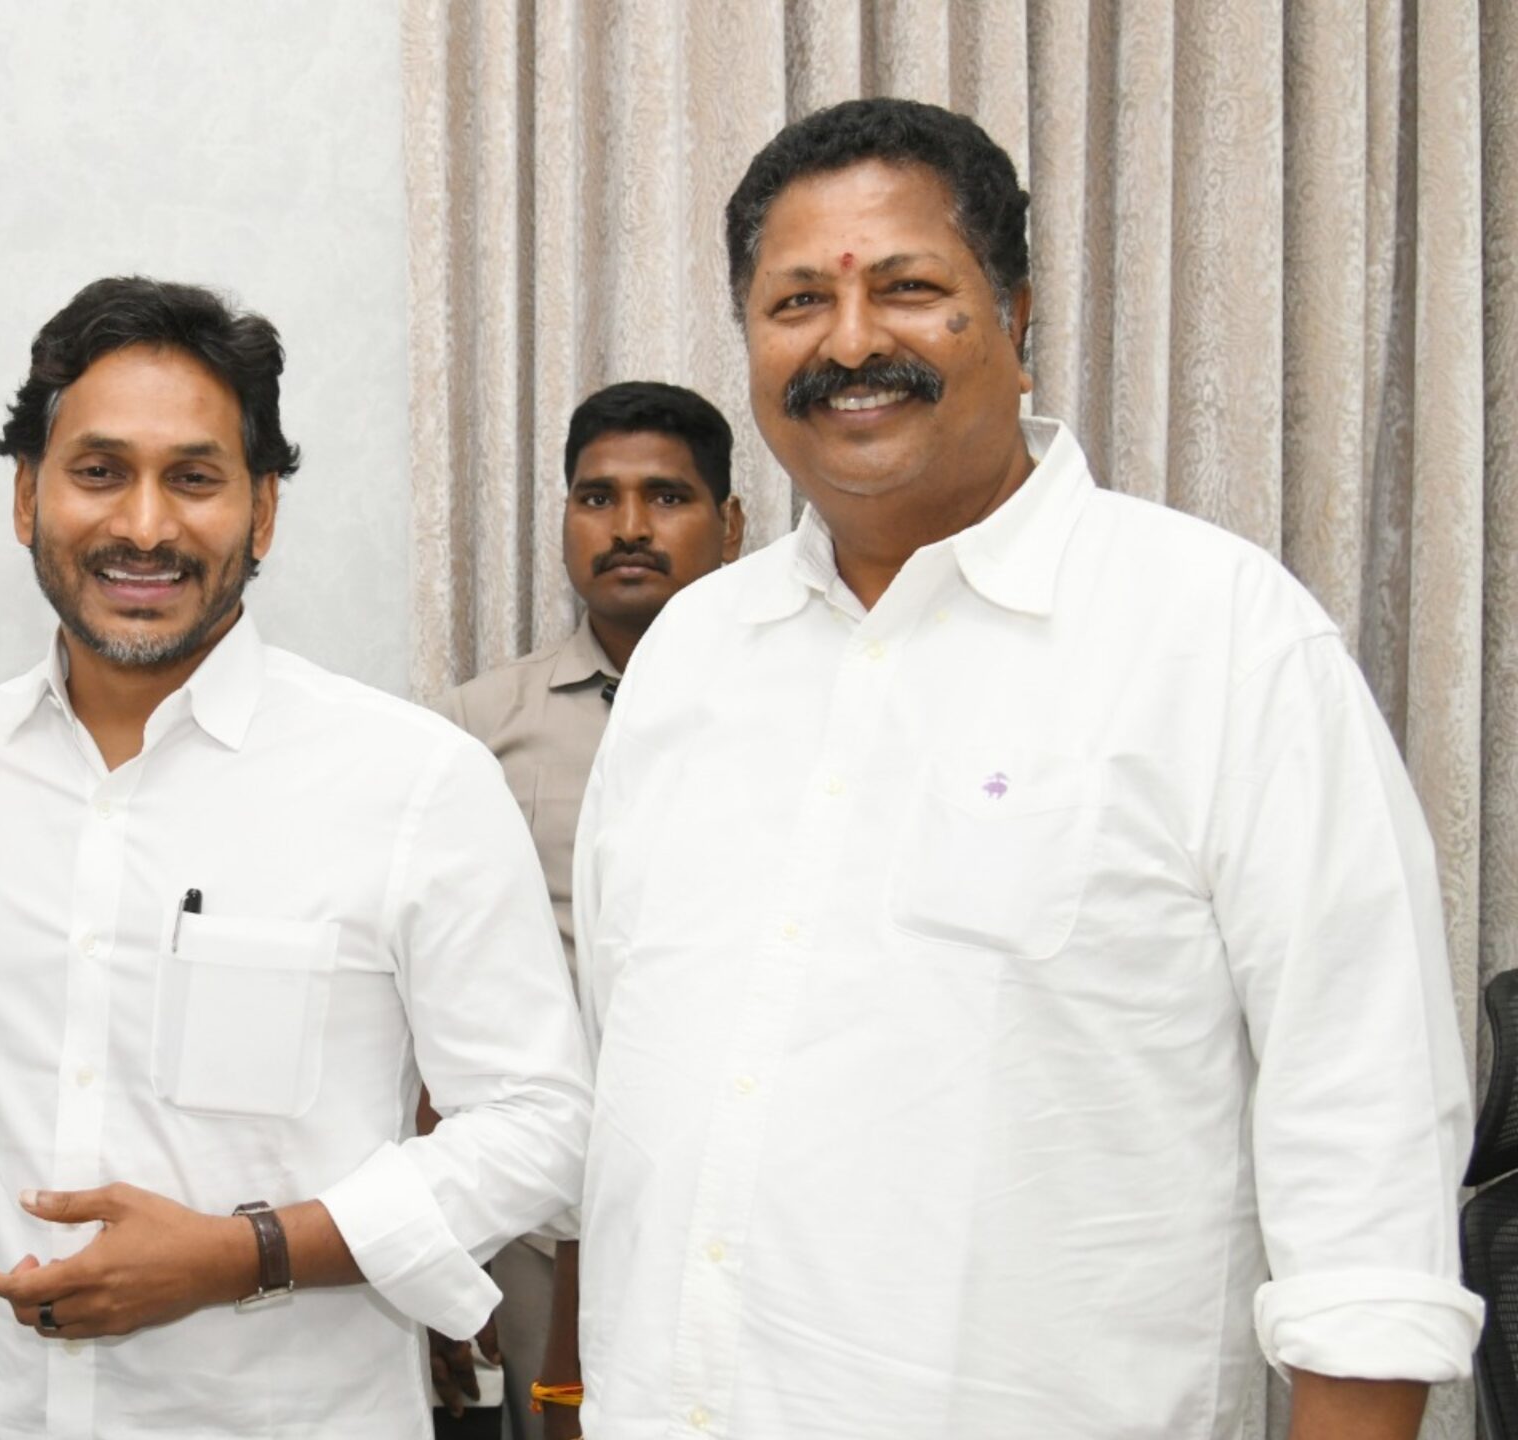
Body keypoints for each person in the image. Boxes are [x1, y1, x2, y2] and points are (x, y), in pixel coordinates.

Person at [551, 97, 1483, 1440]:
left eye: (908, 288)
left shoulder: (1218, 635)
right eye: (797, 300)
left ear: (1017, 314)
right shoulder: (692, 656)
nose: (850, 341)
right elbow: (636, 1089)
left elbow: (1364, 1129)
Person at [0, 276, 592, 1440]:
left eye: (194, 478)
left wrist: (248, 1253)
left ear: (263, 511)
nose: (144, 526)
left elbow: (541, 1127)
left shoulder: (411, 780)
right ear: (26, 495)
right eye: (98, 471)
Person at [436, 379, 742, 1439]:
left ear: (731, 526)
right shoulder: (476, 729)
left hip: (739, 1183)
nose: (628, 527)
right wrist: (440, 1248)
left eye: (668, 497)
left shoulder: (805, 716)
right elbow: (423, 992)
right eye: (596, 497)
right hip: (534, 1213)